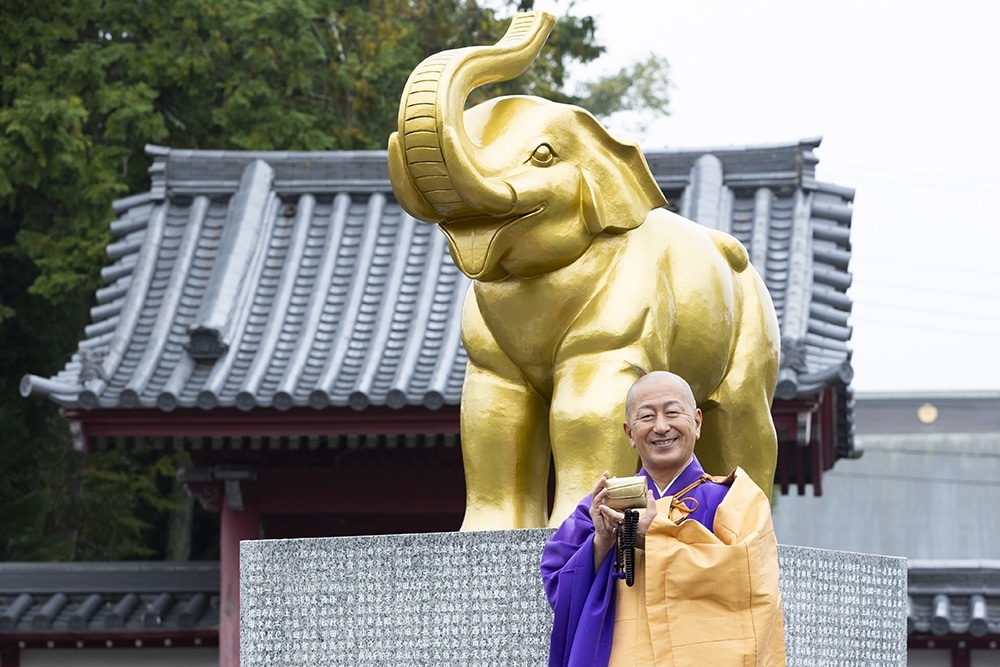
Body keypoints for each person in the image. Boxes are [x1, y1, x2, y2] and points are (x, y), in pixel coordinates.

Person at [540, 371, 785, 667]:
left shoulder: (734, 499)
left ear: (696, 422)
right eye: (646, 417)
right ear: (629, 433)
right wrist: (600, 544)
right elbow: (558, 585)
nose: (661, 426)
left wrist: (655, 537)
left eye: (672, 412)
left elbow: (751, 584)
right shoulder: (601, 508)